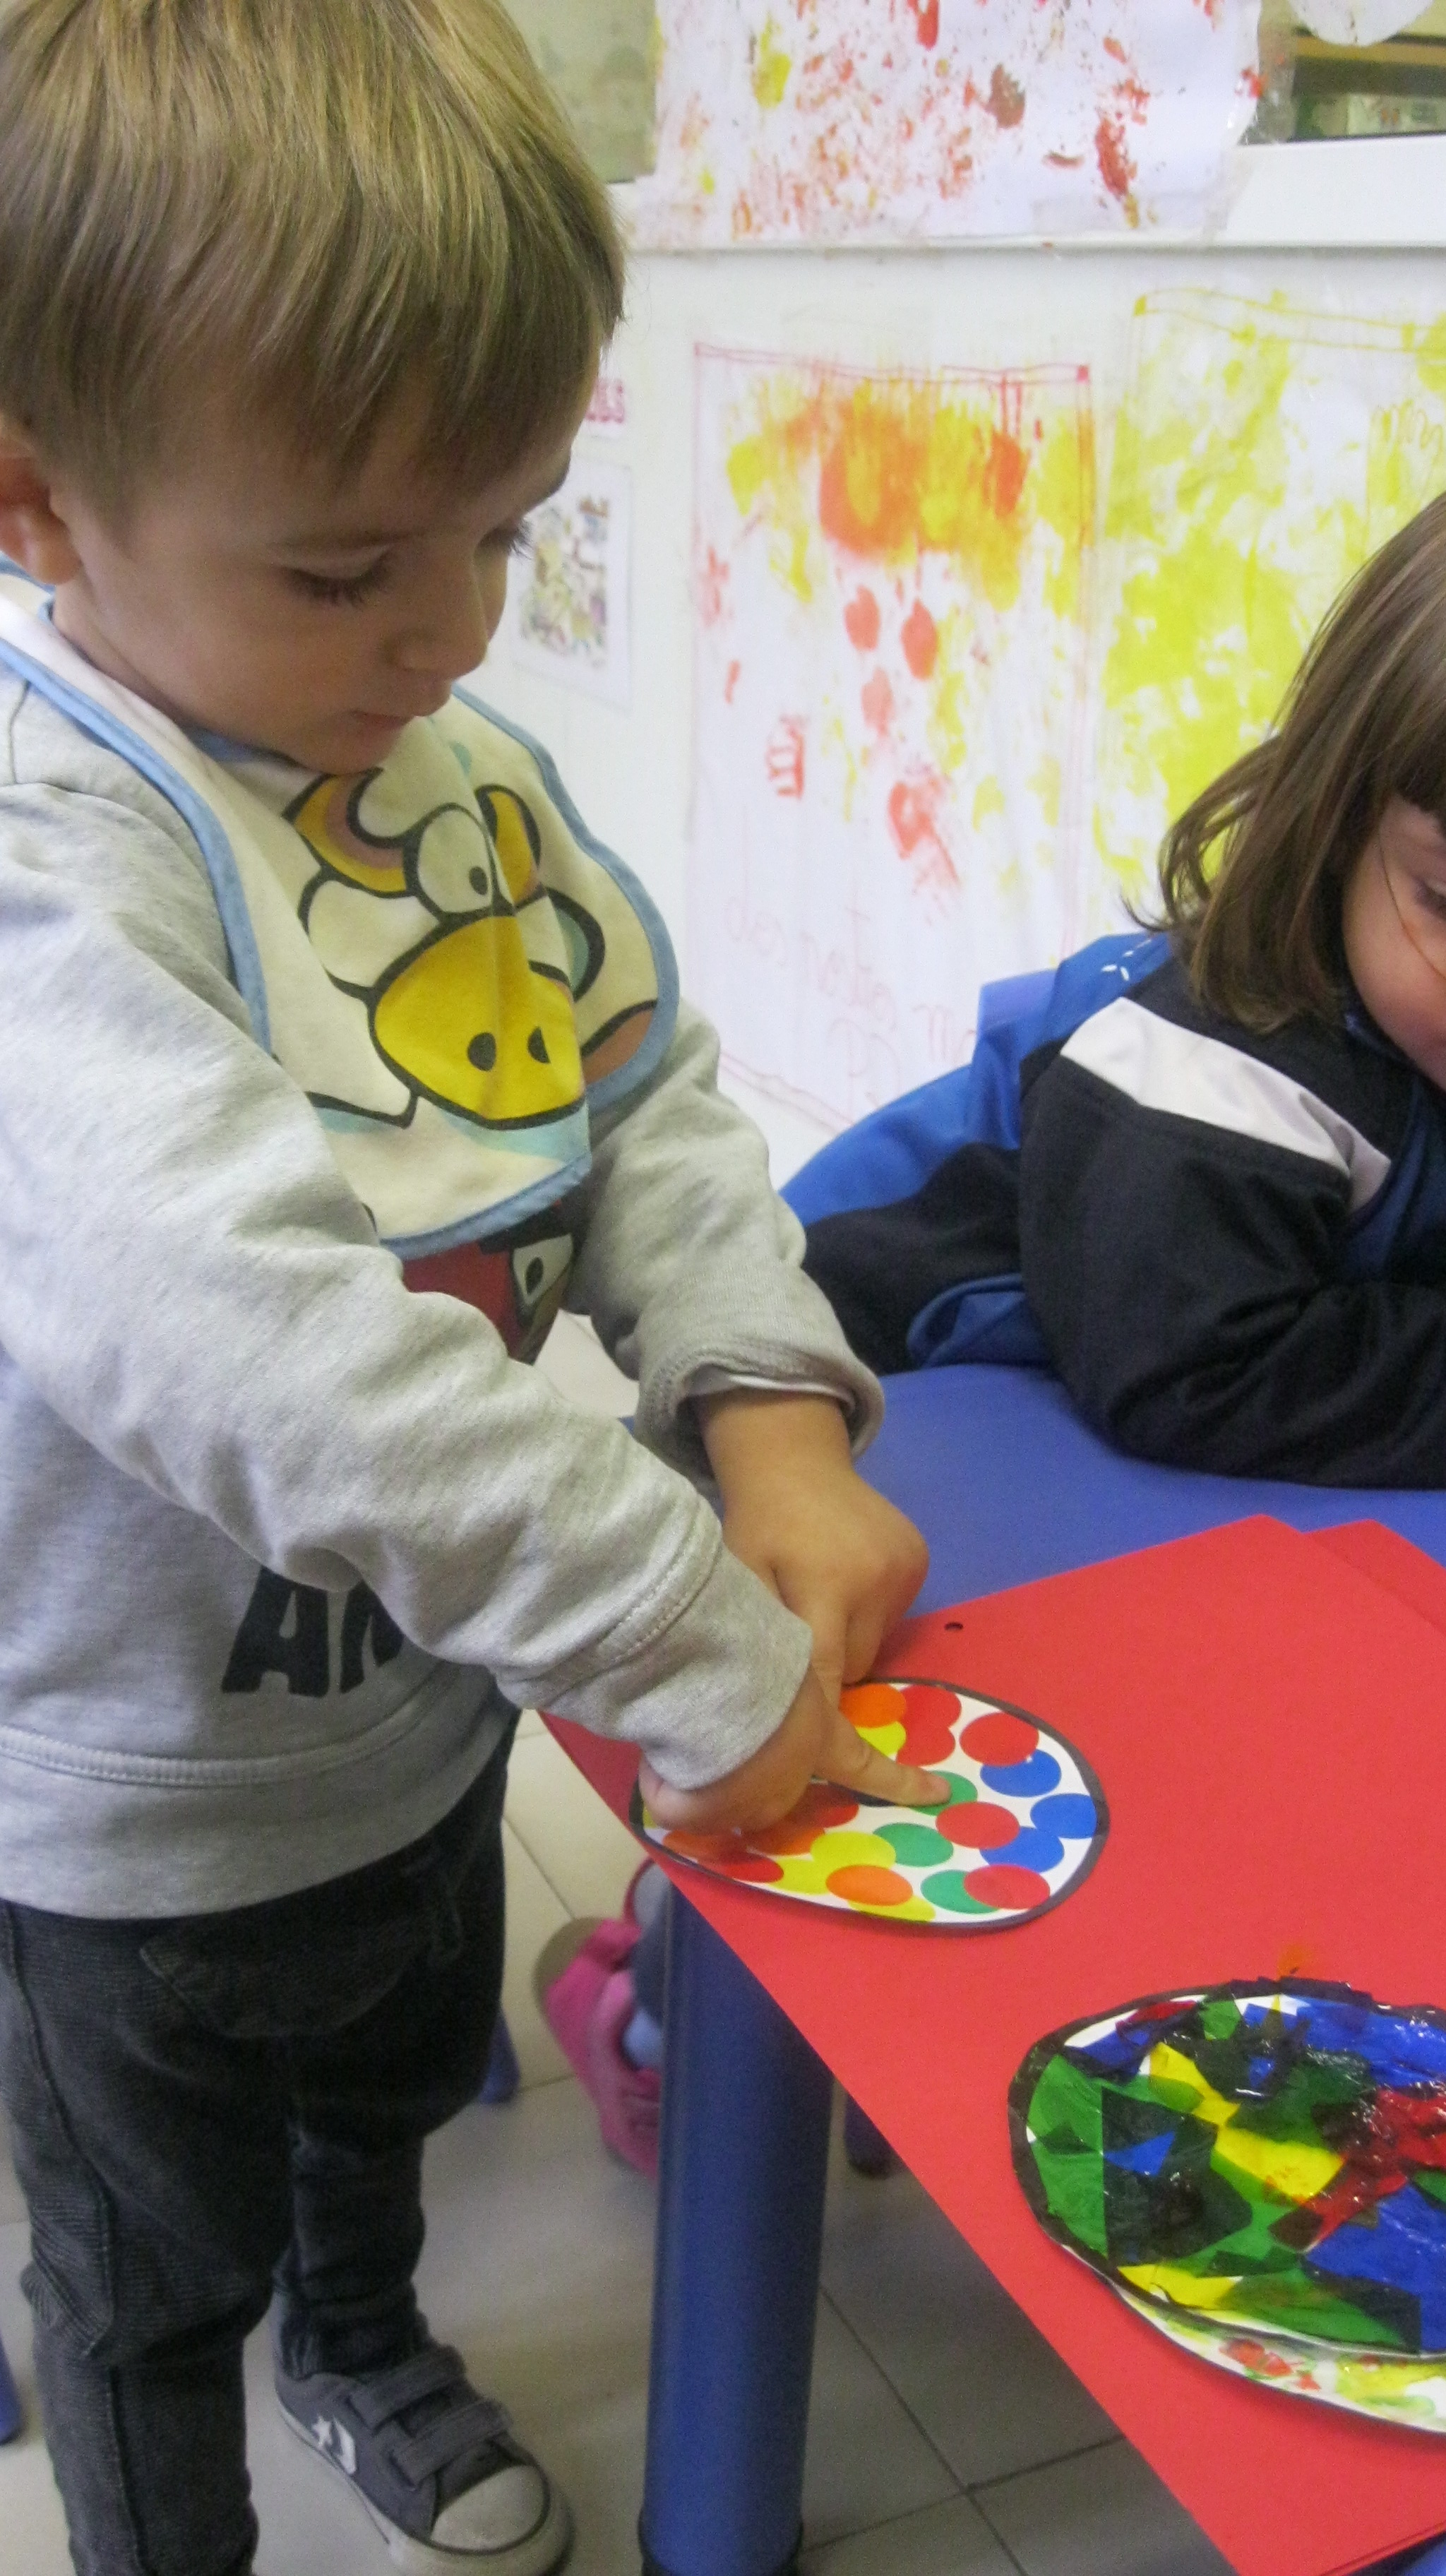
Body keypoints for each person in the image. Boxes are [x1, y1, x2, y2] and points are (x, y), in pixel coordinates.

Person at [0, 7, 942, 2573]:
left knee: (379, 2108)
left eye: (503, 530)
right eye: (346, 567)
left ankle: (367, 2341)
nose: (447, 633)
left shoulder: (454, 775)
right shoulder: (52, 855)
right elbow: (257, 1343)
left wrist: (764, 1413)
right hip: (134, 1814)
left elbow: (647, 1097)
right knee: (144, 2273)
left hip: (416, 1721)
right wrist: (667, 1620)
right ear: (38, 497)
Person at [798, 489, 1446, 1489]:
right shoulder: (1221, 1061)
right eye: (1444, 900)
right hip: (830, 1393)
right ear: (1337, 815)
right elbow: (1194, 1367)